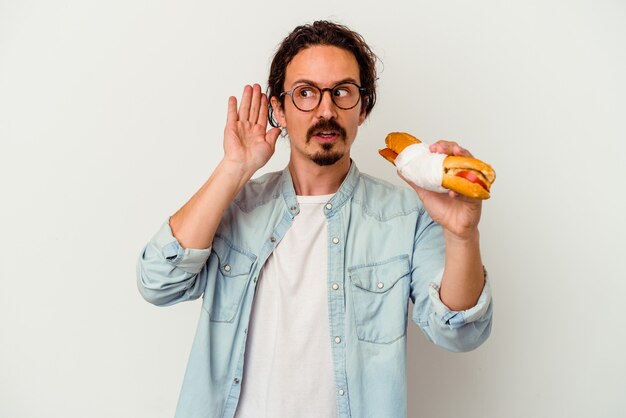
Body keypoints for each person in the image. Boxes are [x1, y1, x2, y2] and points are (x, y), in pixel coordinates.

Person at [137, 20, 492, 418]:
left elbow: (460, 332)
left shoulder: (407, 215)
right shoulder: (235, 206)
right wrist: (235, 167)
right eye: (305, 93)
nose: (326, 110)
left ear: (363, 108)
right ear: (279, 110)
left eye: (342, 92)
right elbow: (158, 282)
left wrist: (463, 235)